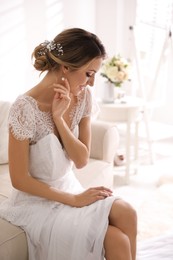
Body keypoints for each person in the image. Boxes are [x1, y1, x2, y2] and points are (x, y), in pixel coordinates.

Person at [0, 28, 137, 260]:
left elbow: (81, 160)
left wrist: (60, 119)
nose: (92, 83)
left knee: (127, 212)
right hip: (37, 204)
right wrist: (73, 200)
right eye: (88, 74)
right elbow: (19, 179)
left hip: (70, 187)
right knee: (116, 240)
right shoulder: (24, 108)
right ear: (65, 67)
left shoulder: (82, 97)